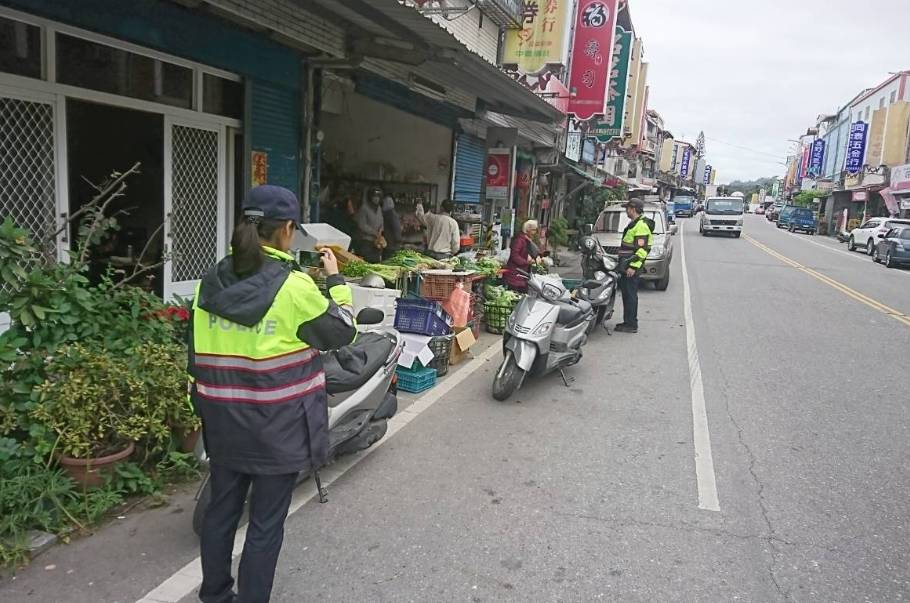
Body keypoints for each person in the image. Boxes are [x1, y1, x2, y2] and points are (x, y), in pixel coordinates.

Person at [189, 185, 357, 603]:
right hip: (277, 428)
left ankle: (215, 595)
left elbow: (194, 355)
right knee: (265, 525)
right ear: (286, 229)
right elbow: (342, 332)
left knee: (221, 512)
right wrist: (336, 281)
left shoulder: (209, 282)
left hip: (223, 423)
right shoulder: (294, 287)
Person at [615, 199, 653, 334]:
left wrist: (633, 267)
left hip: (631, 268)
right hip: (626, 266)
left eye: (628, 208)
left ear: (633, 209)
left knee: (630, 296)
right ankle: (627, 322)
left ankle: (631, 324)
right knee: (626, 295)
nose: (626, 210)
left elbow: (642, 250)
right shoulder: (635, 223)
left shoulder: (641, 226)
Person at [503, 219, 540, 292]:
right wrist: (527, 262)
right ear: (528, 229)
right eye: (533, 230)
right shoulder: (520, 240)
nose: (535, 232)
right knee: (516, 293)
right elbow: (514, 256)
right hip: (515, 273)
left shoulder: (526, 239)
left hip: (520, 273)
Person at [354, 188, 385, 262]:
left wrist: (381, 229)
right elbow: (362, 225)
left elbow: (381, 221)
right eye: (374, 196)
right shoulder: (364, 208)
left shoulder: (379, 208)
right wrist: (374, 232)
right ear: (370, 197)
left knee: (376, 262)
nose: (376, 198)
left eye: (378, 196)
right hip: (366, 241)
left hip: (377, 242)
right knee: (367, 261)